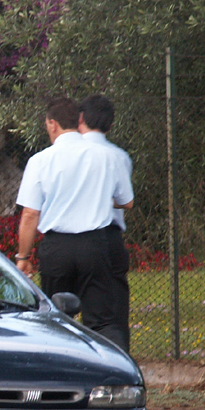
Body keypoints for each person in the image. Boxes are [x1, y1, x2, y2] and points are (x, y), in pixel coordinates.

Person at [14, 97, 133, 350]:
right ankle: (113, 373)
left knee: (56, 319)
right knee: (102, 320)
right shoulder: (107, 156)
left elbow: (29, 215)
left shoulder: (40, 160)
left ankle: (57, 370)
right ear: (79, 120)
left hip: (57, 247)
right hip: (95, 244)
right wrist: (98, 197)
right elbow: (126, 201)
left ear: (53, 124)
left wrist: (23, 256)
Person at [79, 94, 133, 352]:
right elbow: (124, 198)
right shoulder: (119, 156)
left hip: (72, 237)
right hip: (109, 236)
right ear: (111, 125)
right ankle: (118, 357)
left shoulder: (68, 154)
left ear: (80, 120)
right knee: (113, 309)